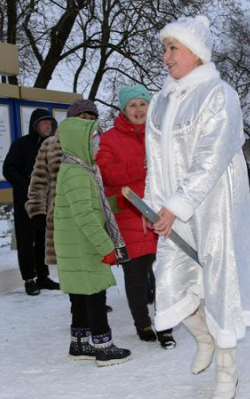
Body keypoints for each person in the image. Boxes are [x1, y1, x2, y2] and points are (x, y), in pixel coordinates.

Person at [145, 15, 250, 399]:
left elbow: (211, 158)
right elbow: (155, 162)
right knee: (168, 281)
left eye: (172, 48)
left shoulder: (219, 94)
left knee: (221, 285)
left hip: (215, 207)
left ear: (196, 52)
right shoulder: (160, 102)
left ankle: (227, 368)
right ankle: (205, 338)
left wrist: (177, 204)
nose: (165, 57)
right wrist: (156, 208)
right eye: (164, 49)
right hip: (171, 210)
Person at [95, 85, 176, 349]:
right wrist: (138, 165)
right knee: (137, 274)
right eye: (133, 105)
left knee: (165, 275)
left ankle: (166, 326)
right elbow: (106, 175)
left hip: (162, 214)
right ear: (124, 110)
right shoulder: (109, 139)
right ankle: (142, 322)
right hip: (131, 215)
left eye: (143, 104)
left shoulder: (160, 135)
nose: (139, 109)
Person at [54, 116, 131, 366]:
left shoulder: (76, 168)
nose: (97, 145)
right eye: (93, 140)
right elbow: (84, 214)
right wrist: (106, 246)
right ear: (79, 142)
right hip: (84, 245)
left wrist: (113, 204)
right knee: (95, 294)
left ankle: (80, 344)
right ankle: (103, 347)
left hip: (76, 244)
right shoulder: (77, 172)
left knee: (79, 294)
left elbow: (88, 205)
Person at [26, 99, 100, 273]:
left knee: (98, 267)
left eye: (91, 118)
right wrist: (37, 211)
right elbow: (38, 181)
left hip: (94, 216)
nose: (86, 122)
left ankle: (98, 301)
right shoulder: (51, 145)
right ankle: (79, 301)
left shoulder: (100, 145)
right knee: (73, 272)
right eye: (82, 117)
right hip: (62, 217)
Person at [3, 107, 60, 295]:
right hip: (26, 203)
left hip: (47, 202)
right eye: (44, 122)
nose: (48, 126)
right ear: (35, 125)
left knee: (44, 239)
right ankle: (29, 279)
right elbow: (9, 169)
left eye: (50, 122)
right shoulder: (21, 145)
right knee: (26, 241)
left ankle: (43, 277)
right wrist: (27, 188)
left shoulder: (54, 145)